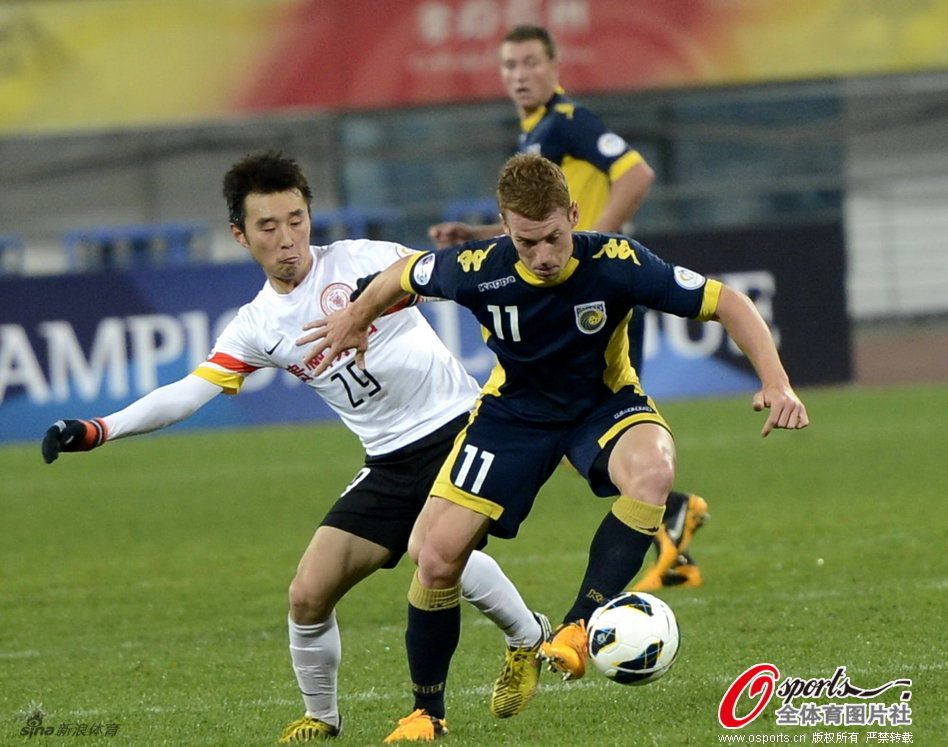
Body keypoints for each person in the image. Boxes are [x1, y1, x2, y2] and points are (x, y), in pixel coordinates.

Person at [40, 151, 551, 742]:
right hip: (386, 461)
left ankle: (517, 647)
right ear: (240, 235)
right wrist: (100, 429)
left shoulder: (367, 262)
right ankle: (323, 717)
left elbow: (465, 278)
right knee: (307, 595)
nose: (288, 239)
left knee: (432, 552)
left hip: (459, 428)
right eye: (268, 226)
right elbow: (188, 391)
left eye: (297, 220)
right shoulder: (257, 325)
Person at [300, 153, 809, 741]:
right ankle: (426, 713)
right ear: (504, 228)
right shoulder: (476, 266)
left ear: (573, 215)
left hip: (601, 404)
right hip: (513, 415)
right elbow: (403, 274)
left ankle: (576, 627)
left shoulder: (616, 263)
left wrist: (775, 381)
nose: (542, 256)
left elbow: (727, 302)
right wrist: (358, 315)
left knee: (652, 473)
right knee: (435, 556)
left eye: (553, 238)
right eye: (525, 242)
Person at [428, 24, 707, 591]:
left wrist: (594, 251)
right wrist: (478, 234)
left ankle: (670, 516)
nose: (519, 75)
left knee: (591, 425)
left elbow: (637, 174)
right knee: (581, 438)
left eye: (530, 62)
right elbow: (536, 229)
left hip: (596, 301)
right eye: (509, 66)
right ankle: (672, 529)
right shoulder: (535, 138)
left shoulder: (570, 121)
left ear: (556, 66)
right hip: (567, 289)